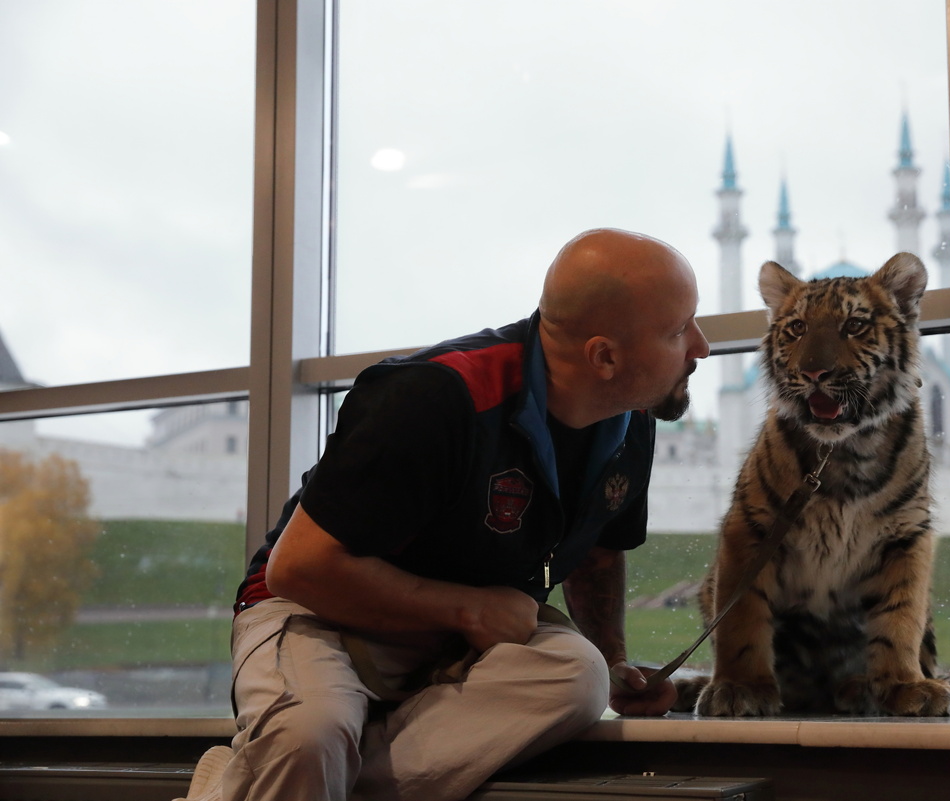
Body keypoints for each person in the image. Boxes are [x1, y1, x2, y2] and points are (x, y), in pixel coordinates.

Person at [177, 228, 711, 801]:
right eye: (679, 329)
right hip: (322, 610)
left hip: (466, 633)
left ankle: (242, 788)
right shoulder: (434, 396)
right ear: (603, 356)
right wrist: (469, 608)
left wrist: (616, 663)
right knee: (310, 737)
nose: (701, 347)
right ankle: (291, 771)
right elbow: (298, 569)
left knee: (581, 678)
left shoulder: (632, 421)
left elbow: (596, 551)